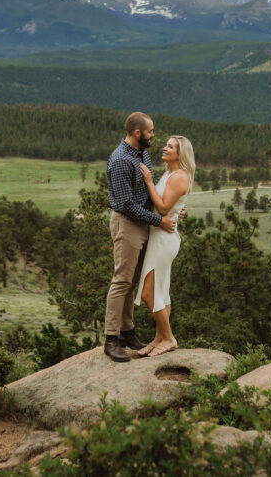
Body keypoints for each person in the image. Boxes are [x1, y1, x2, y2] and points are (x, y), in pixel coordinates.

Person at [103, 112, 177, 362]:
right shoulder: (122, 160)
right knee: (122, 281)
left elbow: (149, 189)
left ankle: (127, 331)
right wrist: (159, 220)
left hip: (144, 223)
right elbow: (125, 203)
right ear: (138, 133)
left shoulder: (142, 154)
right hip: (128, 224)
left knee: (132, 282)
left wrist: (171, 210)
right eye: (151, 131)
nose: (153, 136)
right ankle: (111, 339)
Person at [134, 135, 193, 357]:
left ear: (181, 153)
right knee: (161, 292)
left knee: (150, 294)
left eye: (170, 146)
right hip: (159, 238)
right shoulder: (169, 174)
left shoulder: (179, 177)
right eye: (166, 145)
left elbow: (163, 209)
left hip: (164, 241)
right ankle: (159, 338)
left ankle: (168, 338)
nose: (164, 148)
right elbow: (173, 205)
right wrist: (178, 211)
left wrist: (149, 181)